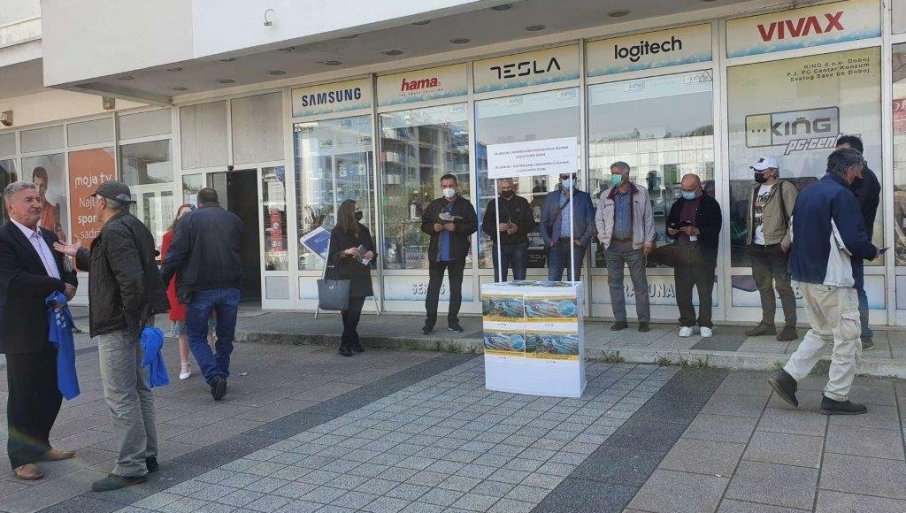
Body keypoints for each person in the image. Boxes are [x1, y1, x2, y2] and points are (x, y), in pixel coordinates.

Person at [53, 180, 169, 491]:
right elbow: (117, 267)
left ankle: (130, 466)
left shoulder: (115, 230)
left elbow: (130, 279)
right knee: (139, 390)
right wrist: (79, 253)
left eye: (95, 201)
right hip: (133, 319)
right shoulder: (134, 225)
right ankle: (146, 455)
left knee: (121, 394)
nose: (94, 205)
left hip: (120, 322)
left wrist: (131, 321)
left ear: (102, 202)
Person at [768, 148, 880, 415]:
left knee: (821, 332)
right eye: (860, 170)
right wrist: (872, 251)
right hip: (832, 278)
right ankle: (835, 397)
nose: (861, 176)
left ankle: (787, 377)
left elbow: (794, 231)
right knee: (848, 338)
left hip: (806, 275)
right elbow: (851, 241)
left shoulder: (808, 192)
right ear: (850, 169)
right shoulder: (842, 194)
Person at [0, 181, 78, 481]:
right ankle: (21, 457)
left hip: (54, 327)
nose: (36, 204)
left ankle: (41, 445)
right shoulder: (5, 239)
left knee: (52, 389)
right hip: (23, 331)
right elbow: (14, 281)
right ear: (10, 206)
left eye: (37, 198)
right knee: (23, 395)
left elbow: (67, 269)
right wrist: (58, 286)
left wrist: (70, 287)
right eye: (29, 200)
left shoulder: (48, 236)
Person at [160, 188, 243, 401]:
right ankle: (221, 374)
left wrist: (161, 282)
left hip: (199, 288)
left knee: (196, 336)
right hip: (230, 286)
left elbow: (175, 254)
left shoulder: (189, 220)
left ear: (199, 203)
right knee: (225, 337)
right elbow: (240, 249)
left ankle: (214, 377)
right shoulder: (233, 219)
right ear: (217, 201)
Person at [596, 162, 655, 332]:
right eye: (612, 173)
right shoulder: (606, 195)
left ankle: (643, 320)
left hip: (634, 245)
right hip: (612, 246)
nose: (613, 176)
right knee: (615, 284)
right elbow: (599, 219)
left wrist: (648, 241)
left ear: (627, 174)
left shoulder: (640, 192)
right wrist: (603, 238)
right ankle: (620, 319)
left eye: (617, 173)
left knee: (639, 284)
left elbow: (648, 218)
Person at [745, 157, 799, 342]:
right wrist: (750, 241)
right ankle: (768, 324)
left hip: (778, 245)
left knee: (783, 287)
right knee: (764, 286)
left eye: (761, 171)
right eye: (756, 170)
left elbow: (795, 218)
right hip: (757, 246)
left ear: (772, 172)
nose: (757, 173)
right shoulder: (755, 189)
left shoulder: (785, 188)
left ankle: (790, 326)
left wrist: (786, 243)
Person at [836, 136, 881, 351]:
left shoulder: (866, 180)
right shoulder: (844, 178)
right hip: (840, 242)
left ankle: (864, 335)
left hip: (852, 243)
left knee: (855, 288)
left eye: (841, 153)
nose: (837, 157)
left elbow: (850, 212)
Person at [161, 204, 216, 380]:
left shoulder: (203, 235)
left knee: (207, 328)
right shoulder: (169, 236)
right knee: (183, 330)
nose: (186, 217)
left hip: (201, 287)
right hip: (180, 289)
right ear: (177, 217)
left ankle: (212, 361)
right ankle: (185, 364)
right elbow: (167, 263)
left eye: (189, 214)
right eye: (182, 214)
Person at [420, 174, 477, 335]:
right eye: (445, 186)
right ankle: (429, 323)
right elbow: (424, 224)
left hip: (456, 255)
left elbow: (473, 225)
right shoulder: (434, 205)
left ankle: (453, 321)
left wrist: (456, 227)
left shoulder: (465, 205)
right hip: (437, 256)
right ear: (441, 187)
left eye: (451, 185)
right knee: (433, 289)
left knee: (455, 289)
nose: (448, 189)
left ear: (456, 186)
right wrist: (433, 227)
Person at [666, 174, 722, 338]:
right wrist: (671, 231)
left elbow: (715, 229)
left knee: (705, 291)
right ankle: (687, 322)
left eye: (689, 189)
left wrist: (697, 230)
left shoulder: (710, 204)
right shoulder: (678, 204)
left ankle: (705, 323)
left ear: (699, 187)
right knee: (683, 292)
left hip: (702, 254)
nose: (686, 192)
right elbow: (670, 225)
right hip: (682, 253)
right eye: (683, 189)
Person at [327, 200, 376, 356]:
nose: (359, 212)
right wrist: (345, 252)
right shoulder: (337, 232)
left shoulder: (364, 230)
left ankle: (347, 342)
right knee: (347, 313)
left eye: (359, 209)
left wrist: (372, 254)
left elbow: (372, 251)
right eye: (356, 209)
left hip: (361, 276)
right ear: (348, 212)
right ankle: (350, 342)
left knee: (356, 312)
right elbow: (332, 256)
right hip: (344, 276)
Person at [539, 172, 596, 281]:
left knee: (573, 280)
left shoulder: (584, 197)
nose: (568, 179)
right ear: (560, 179)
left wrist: (582, 241)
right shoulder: (551, 197)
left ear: (575, 178)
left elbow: (591, 223)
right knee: (553, 280)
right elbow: (543, 222)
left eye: (571, 177)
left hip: (576, 245)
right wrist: (548, 241)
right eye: (565, 177)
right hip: (556, 244)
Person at [481, 178, 534, 282]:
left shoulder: (522, 202)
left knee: (520, 278)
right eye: (503, 188)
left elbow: (531, 223)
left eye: (508, 187)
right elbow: (485, 225)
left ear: (513, 187)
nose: (506, 190)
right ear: (499, 189)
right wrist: (497, 227)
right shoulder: (493, 204)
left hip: (519, 244)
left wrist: (518, 228)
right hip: (500, 245)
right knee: (500, 279)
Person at [32, 167, 65, 242]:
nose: (38, 190)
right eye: (36, 185)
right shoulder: (28, 210)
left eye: (42, 185)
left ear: (46, 187)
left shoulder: (53, 210)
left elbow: (61, 239)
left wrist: (61, 236)